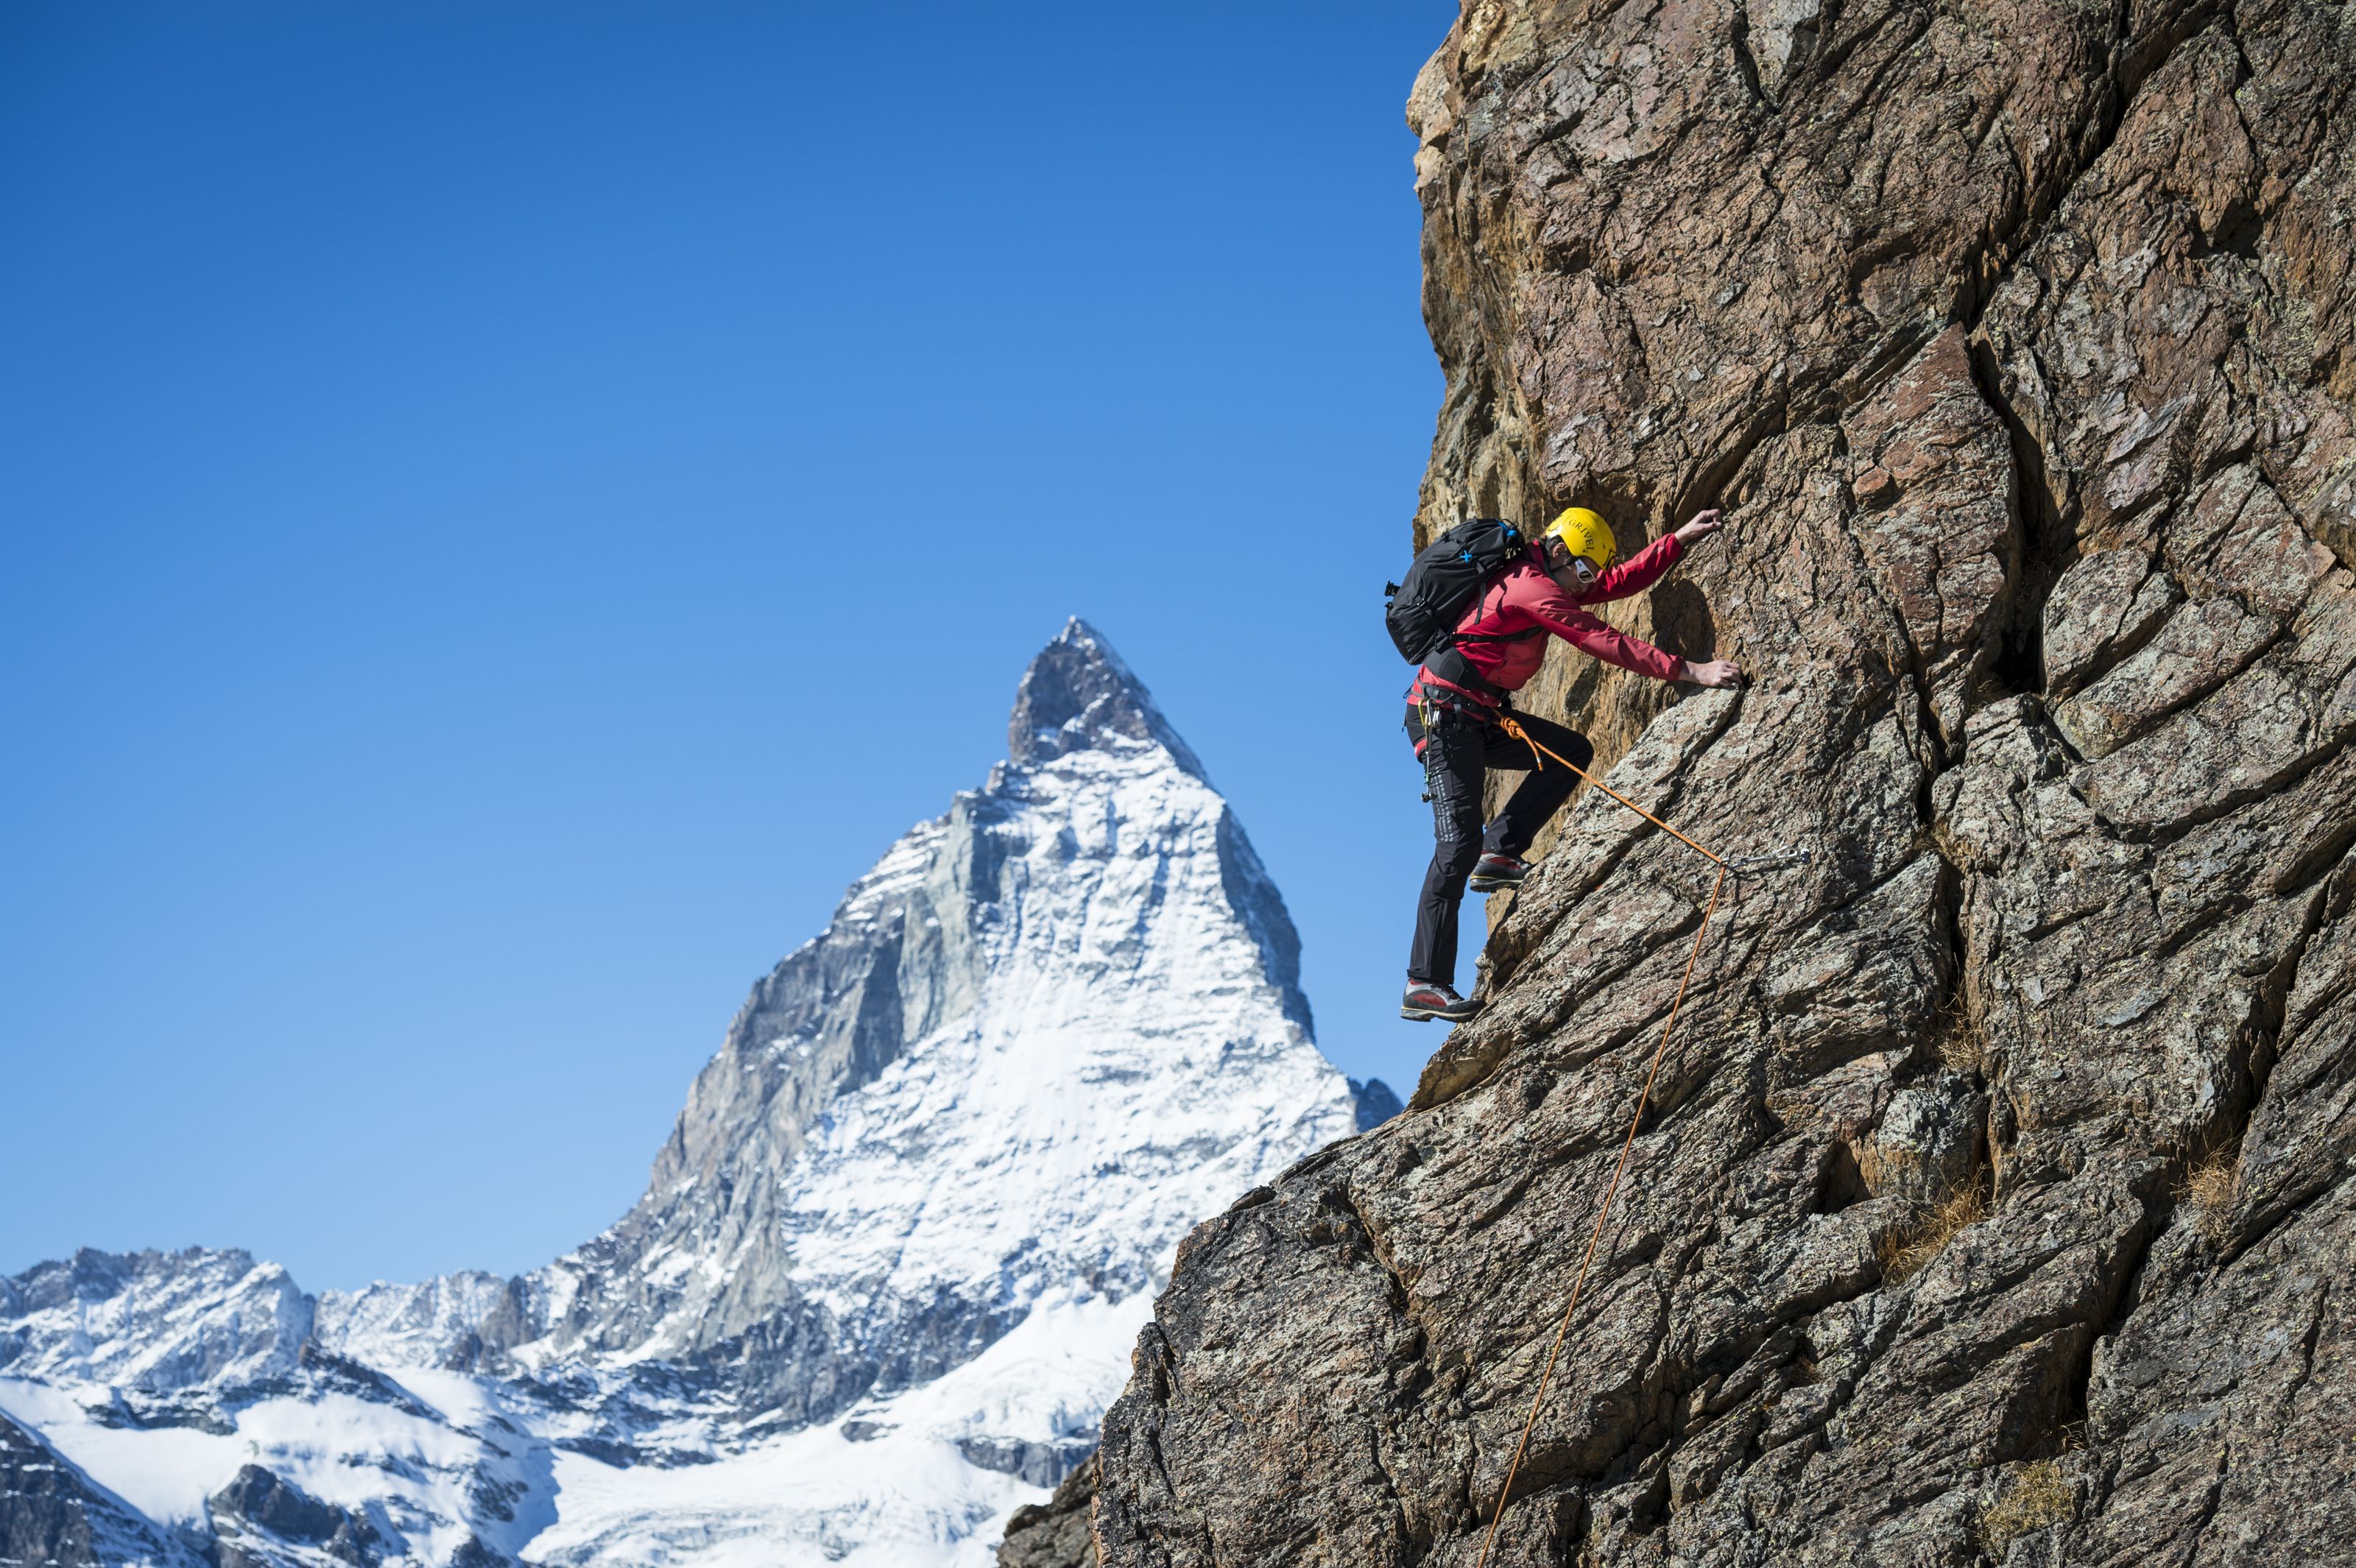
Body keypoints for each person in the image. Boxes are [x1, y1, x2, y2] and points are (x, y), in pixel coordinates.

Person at [1401, 505, 1740, 1023]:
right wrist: (1688, 670)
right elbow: (1598, 638)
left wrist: (1678, 540)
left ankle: (1502, 851)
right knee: (1456, 844)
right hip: (1442, 717)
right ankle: (1424, 981)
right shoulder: (1531, 585)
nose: (1589, 581)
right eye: (1584, 570)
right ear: (1559, 551)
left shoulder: (1550, 576)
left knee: (1569, 754)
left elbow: (1618, 582)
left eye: (1590, 574)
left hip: (1475, 716)